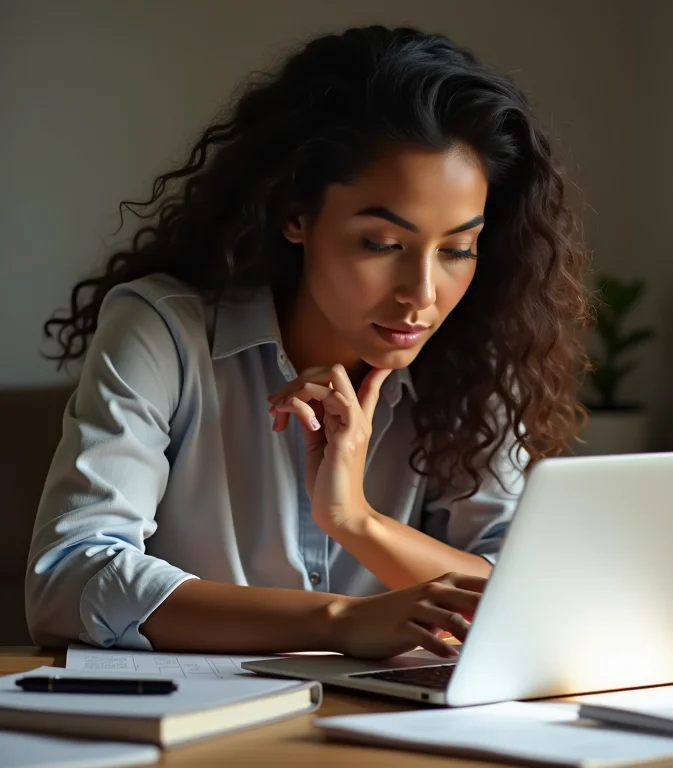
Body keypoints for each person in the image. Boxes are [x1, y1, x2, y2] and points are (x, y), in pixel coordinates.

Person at [26, 25, 588, 659]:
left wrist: (357, 522)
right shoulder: (163, 330)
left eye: (457, 249)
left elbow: (528, 599)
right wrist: (339, 620)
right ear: (297, 215)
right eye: (382, 244)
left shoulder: (476, 356)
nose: (422, 293)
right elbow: (69, 577)